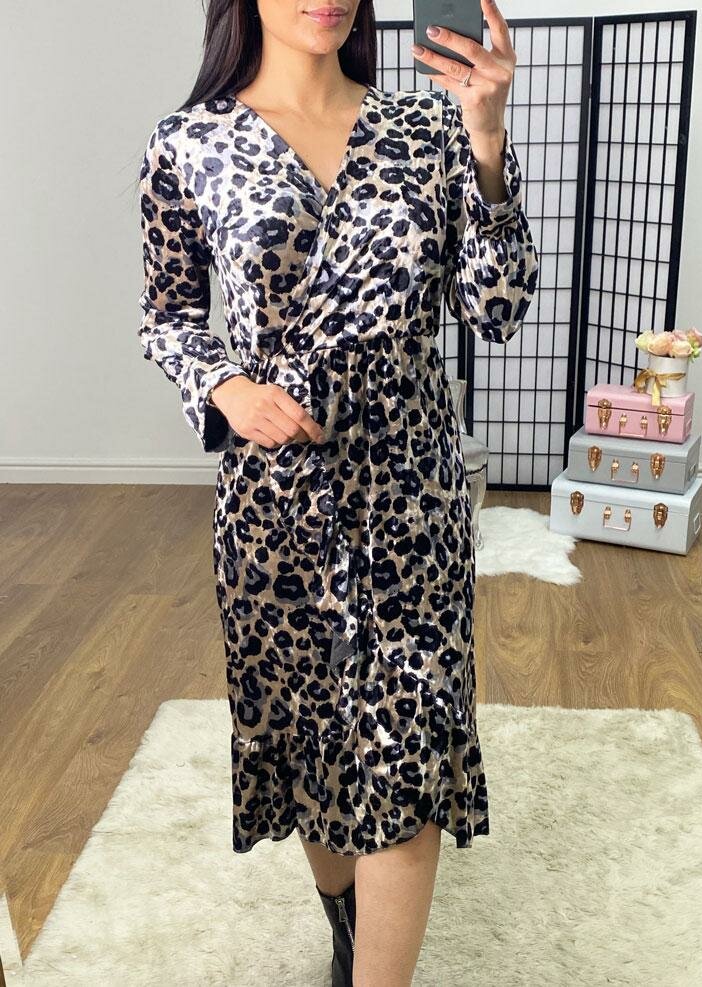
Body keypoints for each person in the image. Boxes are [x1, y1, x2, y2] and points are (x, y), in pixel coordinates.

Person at [136, 0, 538, 983]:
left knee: (406, 748)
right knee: (310, 740)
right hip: (275, 503)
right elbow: (168, 315)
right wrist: (227, 387)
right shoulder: (189, 143)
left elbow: (496, 309)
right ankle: (348, 922)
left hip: (411, 494)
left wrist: (487, 142)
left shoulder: (430, 125)